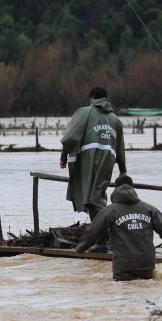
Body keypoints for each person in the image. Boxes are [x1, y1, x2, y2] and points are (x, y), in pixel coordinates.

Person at [76, 175, 162, 281]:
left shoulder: (109, 211)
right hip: (146, 265)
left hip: (123, 267)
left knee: (123, 295)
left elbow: (93, 232)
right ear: (133, 189)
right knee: (145, 291)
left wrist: (80, 248)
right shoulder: (149, 209)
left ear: (115, 190)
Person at [60, 86, 127, 252]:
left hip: (89, 161)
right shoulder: (115, 120)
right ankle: (110, 236)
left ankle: (103, 241)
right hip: (108, 162)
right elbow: (120, 148)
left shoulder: (85, 112)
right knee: (97, 199)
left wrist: (63, 156)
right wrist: (123, 169)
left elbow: (69, 137)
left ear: (91, 98)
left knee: (92, 201)